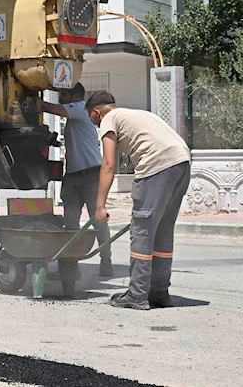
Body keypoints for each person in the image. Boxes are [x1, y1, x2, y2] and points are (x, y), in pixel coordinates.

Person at [87, 91, 191, 310]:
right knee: (162, 230)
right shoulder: (136, 114)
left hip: (157, 165)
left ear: (97, 113)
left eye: (93, 120)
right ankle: (159, 292)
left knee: (142, 231)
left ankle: (137, 294)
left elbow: (108, 164)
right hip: (182, 162)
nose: (97, 126)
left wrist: (99, 206)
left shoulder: (109, 119)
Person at [38, 83, 113, 277]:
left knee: (98, 220)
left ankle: (106, 261)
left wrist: (28, 100)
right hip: (72, 177)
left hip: (91, 175)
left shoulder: (79, 108)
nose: (60, 97)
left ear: (74, 96)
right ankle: (72, 267)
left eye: (63, 93)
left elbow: (46, 107)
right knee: (71, 223)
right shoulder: (74, 117)